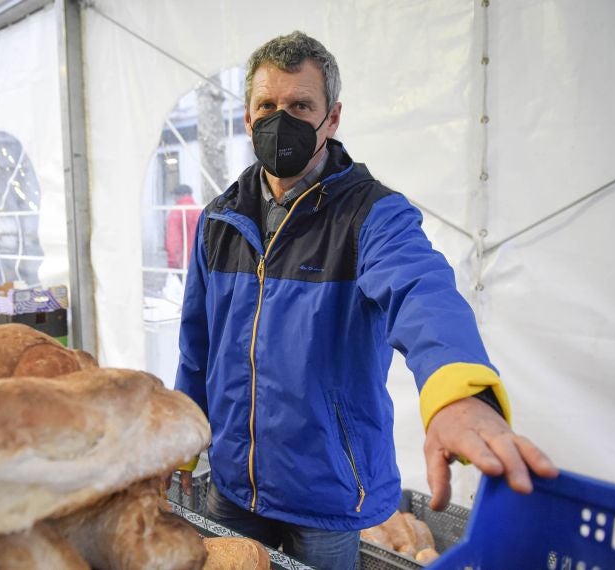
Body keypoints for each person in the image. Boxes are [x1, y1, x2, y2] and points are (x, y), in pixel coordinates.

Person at [173, 31, 557, 569]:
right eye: (268, 106)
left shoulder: (372, 215)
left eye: (301, 105)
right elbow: (197, 345)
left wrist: (457, 388)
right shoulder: (218, 221)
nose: (281, 121)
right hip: (234, 487)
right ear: (247, 116)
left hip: (328, 494)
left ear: (332, 118)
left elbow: (420, 289)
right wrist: (182, 438)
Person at [165, 184, 202, 270]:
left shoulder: (176, 212)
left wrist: (172, 263)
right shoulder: (199, 210)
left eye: (174, 195)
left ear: (179, 195)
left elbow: (174, 239)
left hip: (184, 263)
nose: (173, 198)